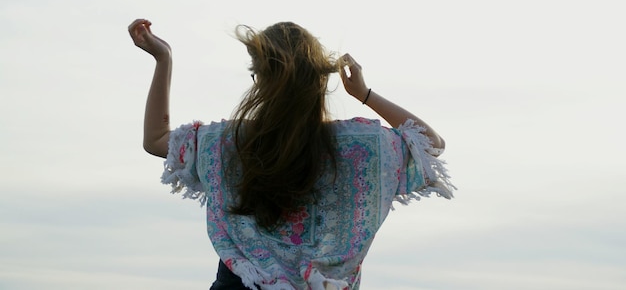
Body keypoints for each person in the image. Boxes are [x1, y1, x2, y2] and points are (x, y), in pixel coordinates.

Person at [128, 18, 454, 290]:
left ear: (260, 80)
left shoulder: (227, 142)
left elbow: (156, 139)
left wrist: (163, 59)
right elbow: (430, 143)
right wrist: (364, 94)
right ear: (319, 80)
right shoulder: (360, 145)